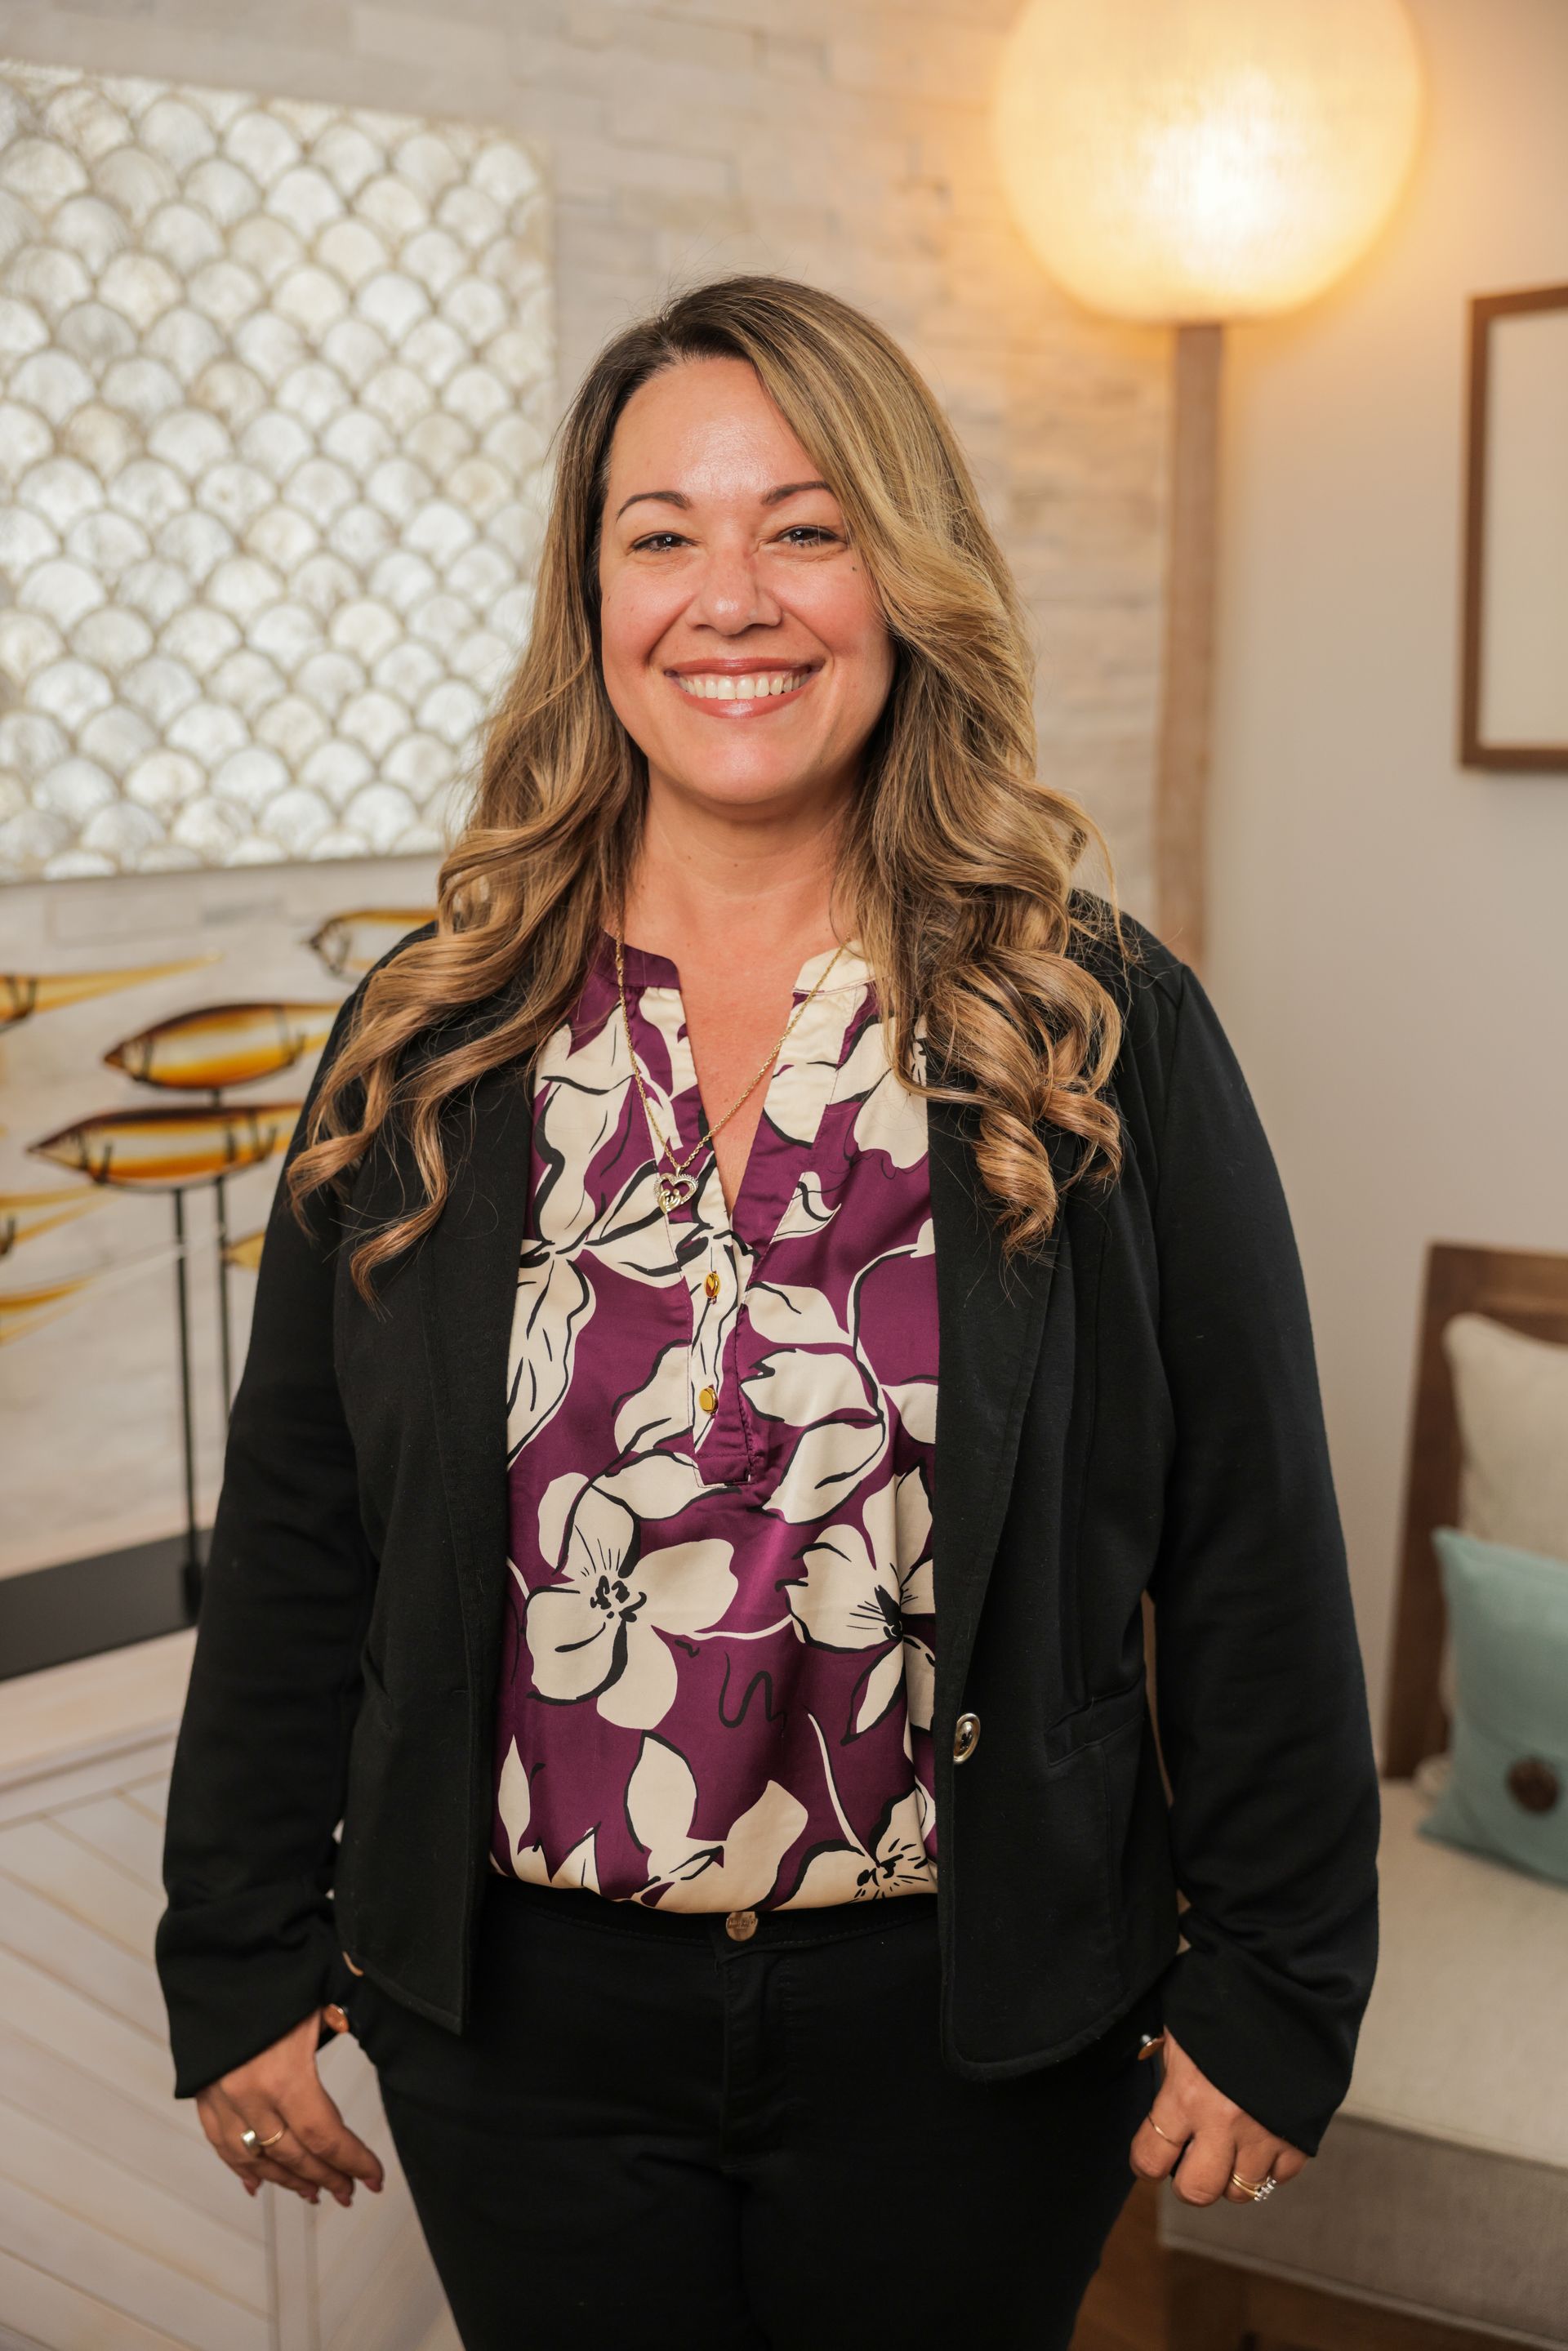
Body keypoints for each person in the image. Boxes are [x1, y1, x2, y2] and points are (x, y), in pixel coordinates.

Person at [156, 274, 1379, 2350]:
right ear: (591, 596)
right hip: (516, 2032)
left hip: (971, 2029)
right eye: (665, 534)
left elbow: (1250, 1528)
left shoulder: (1094, 1024)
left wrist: (1278, 1979)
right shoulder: (434, 1039)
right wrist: (238, 1945)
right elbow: (300, 1527)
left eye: (805, 527)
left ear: (903, 579)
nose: (735, 596)